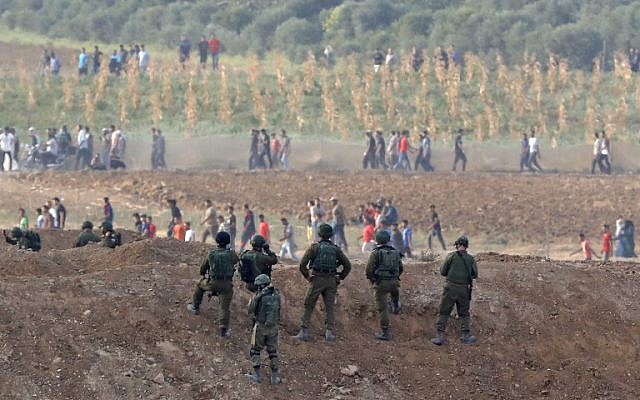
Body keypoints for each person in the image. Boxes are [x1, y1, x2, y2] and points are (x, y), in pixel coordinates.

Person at [292, 224, 351, 342]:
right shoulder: (336, 249)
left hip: (317, 278)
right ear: (331, 235)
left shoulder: (314, 247)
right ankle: (329, 333)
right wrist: (340, 277)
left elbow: (302, 265)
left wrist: (308, 277)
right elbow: (347, 265)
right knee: (329, 306)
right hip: (331, 280)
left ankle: (304, 331)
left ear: (319, 234)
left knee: (309, 304)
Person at [187, 231, 239, 338]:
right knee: (224, 307)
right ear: (228, 242)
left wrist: (203, 274)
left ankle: (195, 307)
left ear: (217, 241)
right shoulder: (231, 254)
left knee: (200, 286)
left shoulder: (211, 253)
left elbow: (203, 268)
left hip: (212, 283)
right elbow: (235, 261)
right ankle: (223, 331)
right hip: (226, 285)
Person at [431, 236, 478, 346]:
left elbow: (443, 271)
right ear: (466, 246)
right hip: (463, 289)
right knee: (464, 313)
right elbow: (475, 274)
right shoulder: (471, 259)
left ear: (457, 244)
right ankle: (465, 336)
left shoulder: (451, 256)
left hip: (450, 288)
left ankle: (439, 336)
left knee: (444, 311)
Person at [365, 230, 403, 341]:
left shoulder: (375, 253)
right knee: (394, 293)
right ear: (388, 240)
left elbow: (369, 270)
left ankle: (385, 332)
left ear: (377, 240)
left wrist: (372, 280)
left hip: (381, 283)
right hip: (394, 282)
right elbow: (400, 268)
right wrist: (395, 277)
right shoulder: (395, 252)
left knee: (382, 308)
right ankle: (396, 305)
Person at [248, 274, 282, 385]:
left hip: (261, 326)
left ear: (261, 285)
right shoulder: (277, 295)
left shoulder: (260, 296)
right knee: (272, 351)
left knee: (255, 350)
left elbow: (250, 309)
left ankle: (256, 375)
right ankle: (275, 377)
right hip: (273, 327)